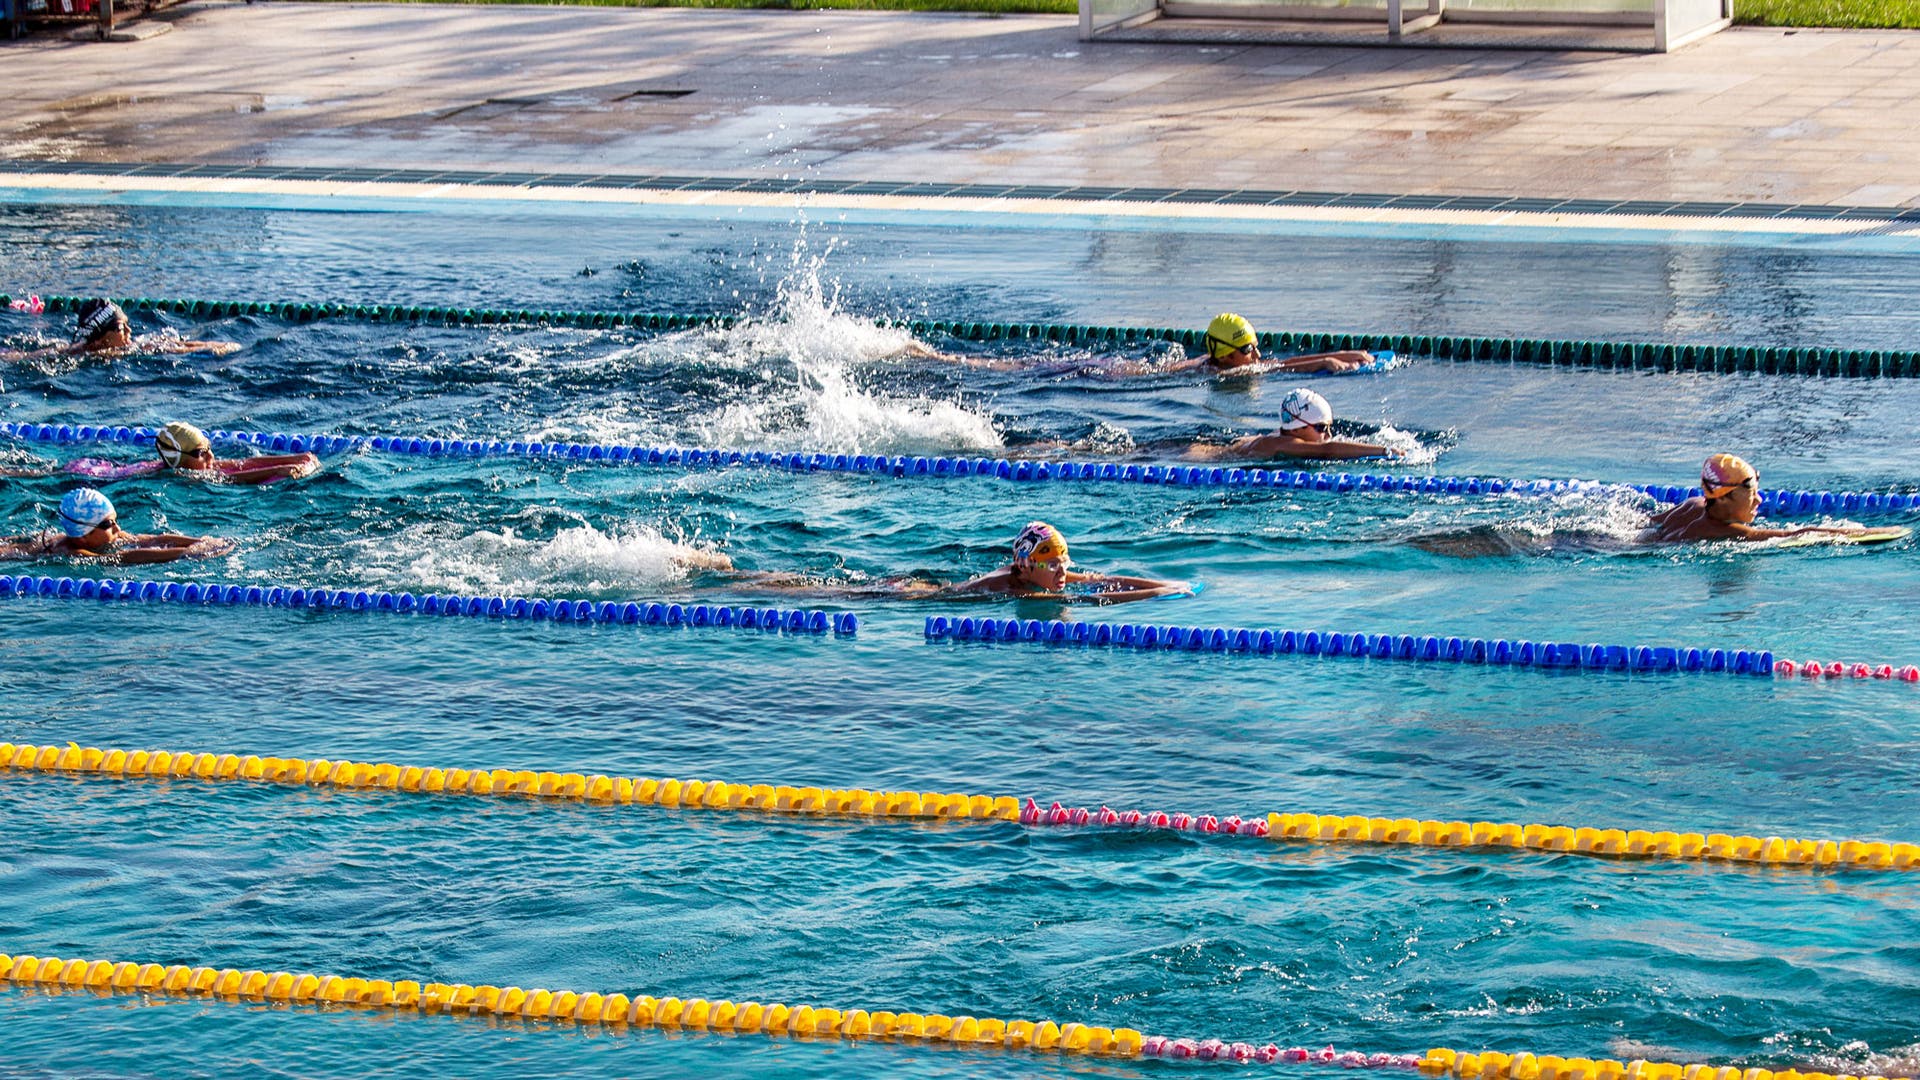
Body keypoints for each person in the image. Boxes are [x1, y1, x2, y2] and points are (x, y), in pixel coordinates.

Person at [1644, 453, 1879, 543]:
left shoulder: (1693, 503)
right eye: (1751, 494)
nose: (1759, 500)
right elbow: (1796, 534)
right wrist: (1866, 533)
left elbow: (1646, 521)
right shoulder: (1729, 531)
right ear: (1724, 497)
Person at [950, 521, 1189, 603]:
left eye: (1065, 562)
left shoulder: (1039, 571)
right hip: (930, 596)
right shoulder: (1015, 589)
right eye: (1053, 565)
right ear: (1026, 566)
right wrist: (1157, 593)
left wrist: (1166, 583)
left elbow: (1102, 580)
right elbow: (1089, 599)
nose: (1063, 571)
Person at [0, 488, 235, 564]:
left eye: (114, 518)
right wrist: (186, 554)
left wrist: (200, 543)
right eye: (107, 523)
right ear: (82, 535)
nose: (116, 527)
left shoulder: (103, 535)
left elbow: (152, 540)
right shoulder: (76, 551)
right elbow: (127, 557)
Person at [1182, 388, 1398, 462]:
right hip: (1192, 457)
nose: (1328, 434)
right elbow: (1327, 450)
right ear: (1297, 427)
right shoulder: (1284, 443)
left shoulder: (1280, 437)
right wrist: (1384, 450)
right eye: (1321, 428)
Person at [1, 299, 239, 361]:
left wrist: (216, 346)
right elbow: (27, 357)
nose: (128, 331)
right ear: (100, 337)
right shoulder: (80, 352)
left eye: (127, 324)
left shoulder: (132, 346)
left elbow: (177, 346)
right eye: (119, 327)